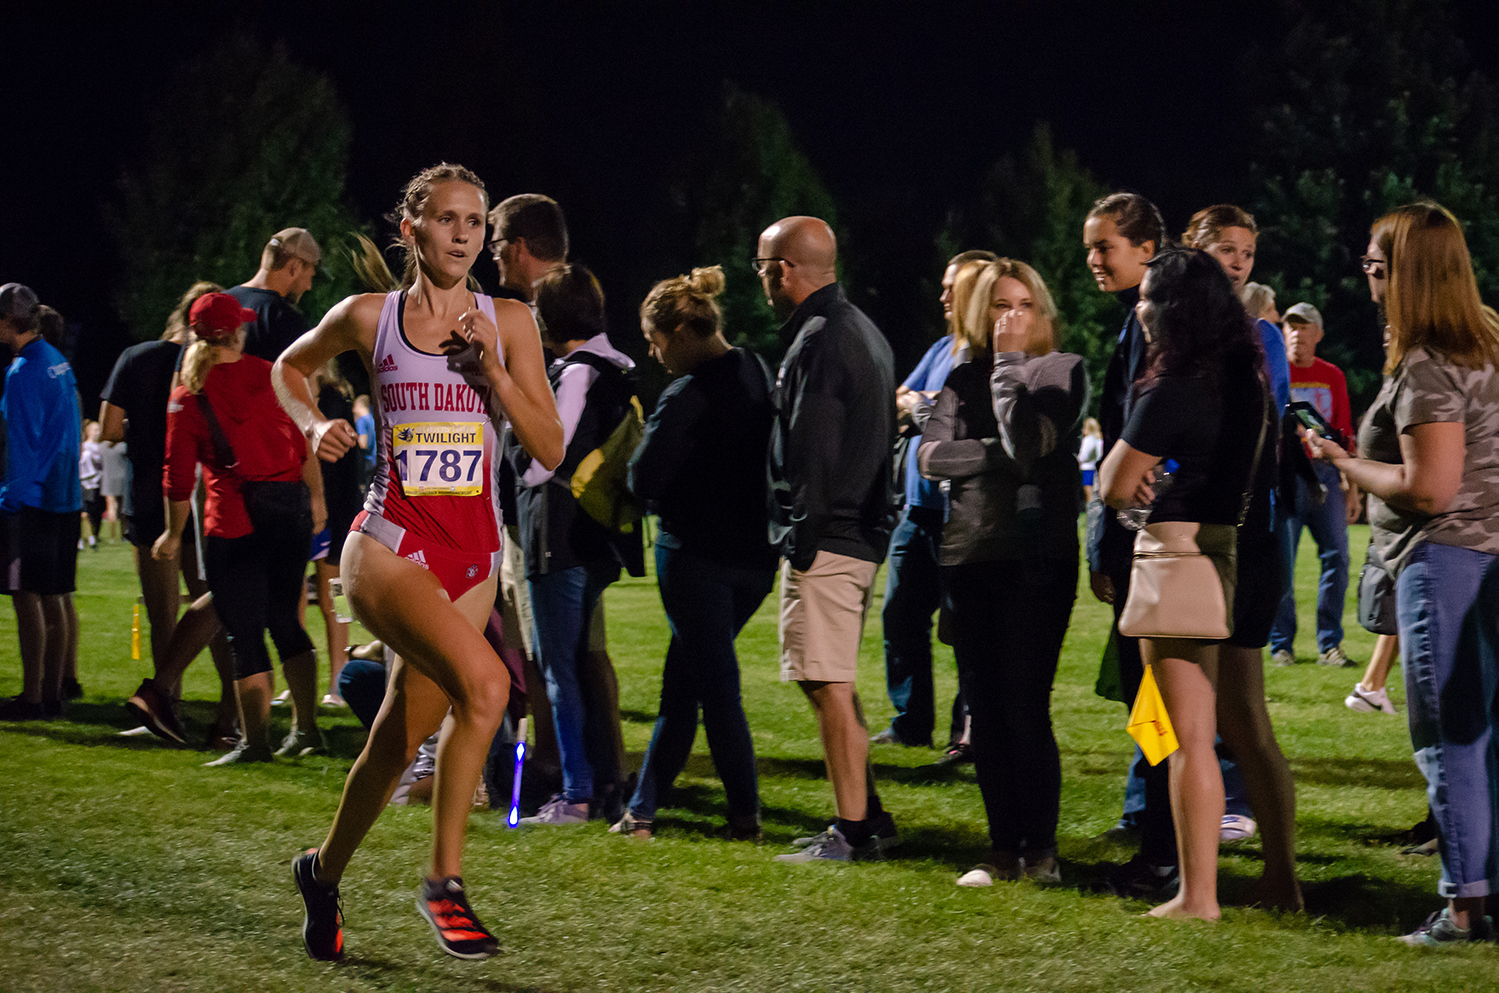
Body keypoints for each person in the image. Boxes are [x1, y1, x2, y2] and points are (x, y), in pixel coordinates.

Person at [275, 163, 562, 961]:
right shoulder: (369, 316)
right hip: (388, 540)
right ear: (413, 229)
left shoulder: (509, 320)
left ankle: (321, 872)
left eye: (475, 221)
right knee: (490, 683)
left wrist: (494, 374)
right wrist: (309, 425)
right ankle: (444, 882)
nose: (464, 233)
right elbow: (288, 367)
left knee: (398, 740)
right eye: (447, 219)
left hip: (472, 553)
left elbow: (548, 447)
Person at [1304, 202, 1499, 946]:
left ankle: (1462, 909)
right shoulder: (1486, 341)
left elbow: (1428, 488)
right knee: (1483, 734)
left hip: (1445, 557)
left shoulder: (1428, 361)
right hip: (1486, 556)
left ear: (1408, 274)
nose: (1367, 278)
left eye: (1376, 266)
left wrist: (1347, 461)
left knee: (1448, 738)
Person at [1100, 247, 1301, 920]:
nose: (1140, 308)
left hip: (1187, 555)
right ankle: (1282, 880)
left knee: (1187, 736)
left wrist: (1140, 476)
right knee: (1249, 726)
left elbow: (1113, 482)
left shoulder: (1173, 382)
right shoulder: (1246, 374)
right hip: (1255, 553)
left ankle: (1197, 895)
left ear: (1174, 310)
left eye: (1149, 298)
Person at [918, 258, 1088, 885]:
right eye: (997, 305)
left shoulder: (1061, 371)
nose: (1010, 317)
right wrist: (992, 455)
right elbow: (931, 457)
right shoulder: (962, 376)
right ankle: (1000, 847)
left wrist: (1010, 370)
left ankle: (1040, 850)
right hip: (968, 556)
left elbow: (1030, 442)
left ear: (1041, 311)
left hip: (1034, 557)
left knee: (1024, 704)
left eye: (1022, 303)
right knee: (983, 711)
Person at [610, 265, 777, 839]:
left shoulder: (687, 393)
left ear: (680, 329)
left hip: (696, 559)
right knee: (684, 681)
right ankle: (642, 810)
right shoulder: (758, 370)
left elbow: (643, 477)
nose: (656, 356)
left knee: (713, 688)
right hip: (756, 559)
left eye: (656, 343)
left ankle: (745, 814)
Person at [759, 216, 898, 863]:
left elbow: (811, 448)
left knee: (825, 682)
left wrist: (800, 536)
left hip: (830, 533)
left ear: (783, 269)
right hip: (856, 530)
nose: (761, 278)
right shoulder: (862, 330)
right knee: (832, 677)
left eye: (763, 266)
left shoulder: (818, 337)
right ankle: (866, 810)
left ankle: (852, 828)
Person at [151, 292, 325, 765]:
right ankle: (307, 728)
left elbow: (177, 475)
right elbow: (306, 438)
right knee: (286, 621)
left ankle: (255, 742)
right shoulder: (274, 375)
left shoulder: (188, 396)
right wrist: (317, 499)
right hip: (289, 512)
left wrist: (171, 533)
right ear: (238, 332)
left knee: (244, 633)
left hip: (232, 522)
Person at [514, 263, 643, 825]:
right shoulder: (617, 367)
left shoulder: (575, 373)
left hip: (558, 536)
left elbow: (548, 458)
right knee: (576, 664)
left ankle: (577, 792)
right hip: (596, 535)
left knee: (557, 670)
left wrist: (517, 453)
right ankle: (598, 781)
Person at [1080, 192, 1182, 897]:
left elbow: (1149, 429)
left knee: (1158, 704)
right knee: (1152, 704)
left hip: (1149, 539)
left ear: (1145, 249)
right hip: (1140, 536)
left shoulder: (1155, 323)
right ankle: (1161, 835)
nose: (1091, 259)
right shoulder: (1138, 321)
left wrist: (1111, 537)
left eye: (1103, 246)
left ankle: (1164, 847)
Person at [105, 282, 238, 747]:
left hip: (150, 497)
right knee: (216, 610)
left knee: (164, 618)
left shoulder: (136, 358)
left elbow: (107, 428)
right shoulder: (224, 370)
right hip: (206, 501)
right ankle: (230, 716)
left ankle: (166, 709)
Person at [874, 249, 995, 756]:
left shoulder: (987, 353)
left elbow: (952, 420)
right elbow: (901, 397)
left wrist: (924, 410)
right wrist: (922, 408)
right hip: (917, 509)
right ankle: (911, 721)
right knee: (900, 616)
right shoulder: (944, 346)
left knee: (966, 626)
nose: (943, 295)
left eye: (954, 286)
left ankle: (967, 732)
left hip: (961, 513)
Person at [0, 284, 83, 721]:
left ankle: (33, 696)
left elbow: (23, 444)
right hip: (64, 494)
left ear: (8, 322)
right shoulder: (56, 360)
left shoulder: (22, 371)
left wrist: (11, 499)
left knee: (27, 596)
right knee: (55, 596)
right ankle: (53, 691)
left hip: (33, 499)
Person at [1269, 302, 1360, 668]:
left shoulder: (1332, 375)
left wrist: (1352, 488)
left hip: (1324, 475)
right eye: (1290, 326)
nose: (1295, 333)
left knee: (1338, 557)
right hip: (1285, 476)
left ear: (1318, 334)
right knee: (1282, 564)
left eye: (1303, 326)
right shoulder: (1277, 372)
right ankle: (1281, 645)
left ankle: (1330, 645)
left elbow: (1346, 433)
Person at [309, 360, 363, 706]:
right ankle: (302, 679)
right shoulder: (289, 402)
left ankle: (338, 679)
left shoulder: (335, 403)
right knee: (294, 602)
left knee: (336, 601)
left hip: (336, 515)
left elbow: (348, 468)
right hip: (297, 513)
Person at [227, 228, 323, 361]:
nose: (309, 286)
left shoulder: (221, 301)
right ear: (294, 267)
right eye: (310, 276)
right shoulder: (285, 319)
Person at [79, 421, 104, 550]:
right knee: (84, 514)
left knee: (91, 513)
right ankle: (86, 539)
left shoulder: (92, 451)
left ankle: (91, 537)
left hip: (92, 484)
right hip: (84, 485)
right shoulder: (84, 449)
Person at [1078, 418, 1104, 505]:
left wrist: (1079, 459)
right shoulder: (1099, 440)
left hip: (1087, 468)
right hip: (1095, 467)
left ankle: (1090, 508)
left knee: (1089, 492)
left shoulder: (1088, 439)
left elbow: (1084, 455)